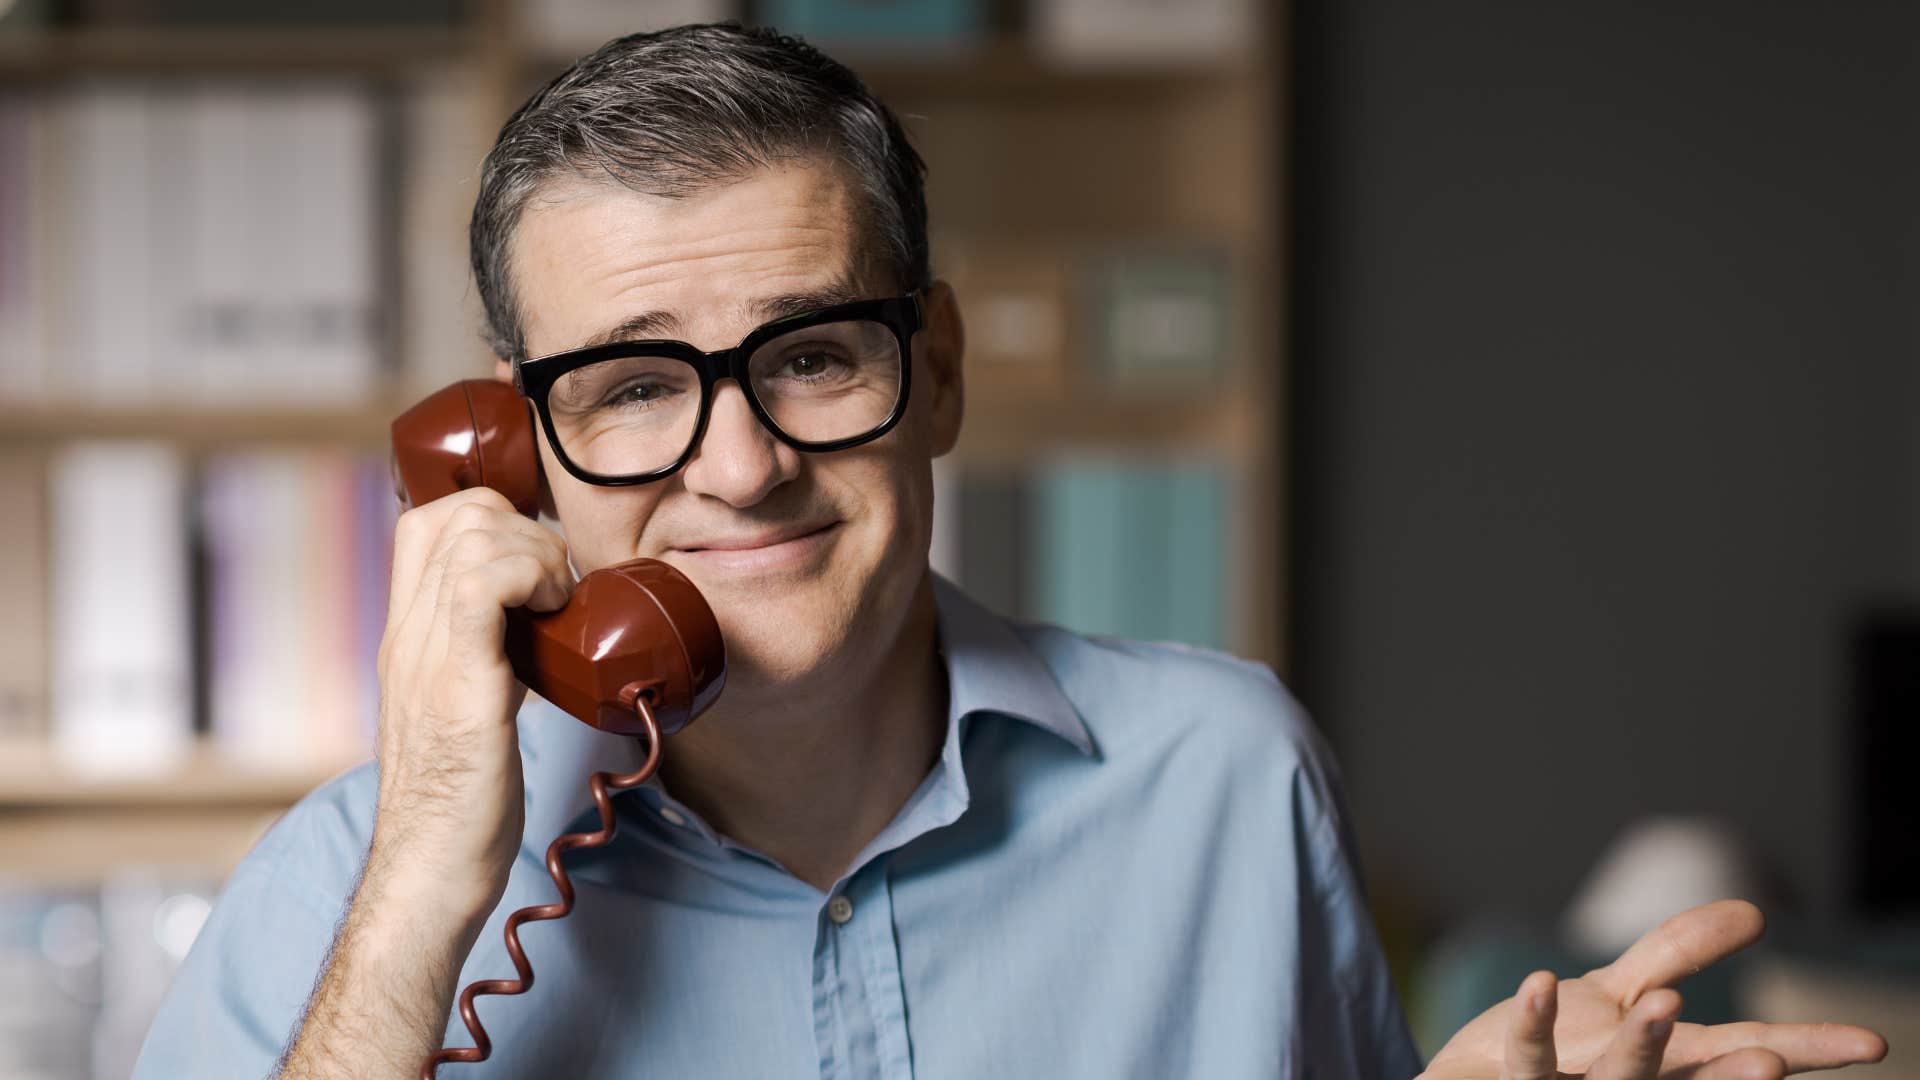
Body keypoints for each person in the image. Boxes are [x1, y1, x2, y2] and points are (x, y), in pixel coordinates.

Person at [134, 23, 1885, 1080]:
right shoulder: (362, 881)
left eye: (815, 356)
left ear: (940, 374)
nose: (739, 466)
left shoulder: (1228, 779)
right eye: (636, 387)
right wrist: (439, 883)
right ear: (516, 452)